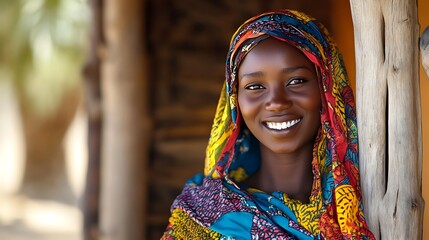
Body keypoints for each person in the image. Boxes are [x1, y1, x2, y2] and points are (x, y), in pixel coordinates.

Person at [162, 9, 375, 239]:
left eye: (296, 81)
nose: (276, 102)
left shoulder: (374, 200)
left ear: (328, 89)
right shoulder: (199, 221)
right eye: (255, 86)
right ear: (235, 101)